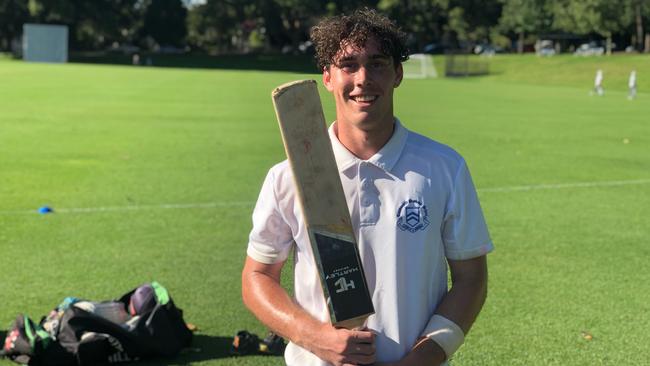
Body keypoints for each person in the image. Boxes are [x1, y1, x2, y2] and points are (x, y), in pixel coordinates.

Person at [242, 8, 493, 366]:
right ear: (327, 77)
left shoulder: (443, 167)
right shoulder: (288, 176)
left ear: (398, 74)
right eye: (348, 65)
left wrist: (420, 360)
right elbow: (257, 276)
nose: (363, 78)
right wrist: (316, 339)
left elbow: (471, 281)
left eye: (377, 64)